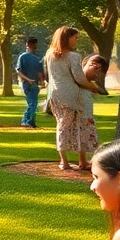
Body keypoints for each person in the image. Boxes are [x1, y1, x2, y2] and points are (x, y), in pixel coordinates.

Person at [45, 26, 105, 171]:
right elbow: (79, 78)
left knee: (62, 126)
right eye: (75, 37)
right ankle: (80, 161)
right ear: (67, 37)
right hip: (72, 96)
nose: (76, 40)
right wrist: (95, 87)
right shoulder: (73, 56)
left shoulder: (50, 54)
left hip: (55, 95)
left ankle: (65, 161)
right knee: (79, 125)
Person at [14, 36, 45, 128]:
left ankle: (30, 122)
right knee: (33, 103)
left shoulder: (24, 57)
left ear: (27, 45)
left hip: (29, 83)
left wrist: (40, 82)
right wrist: (30, 80)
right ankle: (26, 121)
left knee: (32, 103)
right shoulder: (35, 58)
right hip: (30, 83)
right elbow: (19, 71)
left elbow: (18, 71)